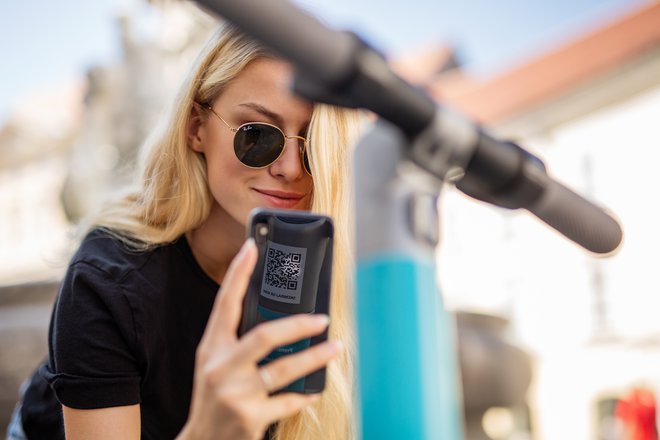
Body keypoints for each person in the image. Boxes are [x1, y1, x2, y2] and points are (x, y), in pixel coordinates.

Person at [9, 22, 362, 440]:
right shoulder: (107, 280)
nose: (288, 167)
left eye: (312, 144)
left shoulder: (337, 279)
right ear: (197, 127)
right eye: (256, 135)